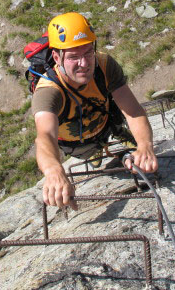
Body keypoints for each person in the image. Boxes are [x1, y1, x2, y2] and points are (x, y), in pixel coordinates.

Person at [32, 12, 158, 210]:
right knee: (89, 151)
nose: (84, 64)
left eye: (88, 53)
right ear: (57, 57)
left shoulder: (105, 65)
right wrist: (53, 170)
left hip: (105, 124)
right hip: (76, 144)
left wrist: (145, 145)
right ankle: (92, 152)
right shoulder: (49, 91)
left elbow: (133, 110)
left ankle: (112, 139)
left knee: (116, 117)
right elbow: (45, 135)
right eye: (74, 57)